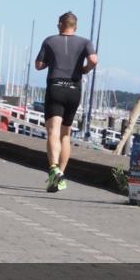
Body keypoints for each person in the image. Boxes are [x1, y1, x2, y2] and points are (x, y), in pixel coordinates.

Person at [34, 11, 98, 193]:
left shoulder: (50, 40)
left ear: (59, 24)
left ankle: (54, 169)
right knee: (66, 135)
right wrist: (85, 69)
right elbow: (94, 59)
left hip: (56, 87)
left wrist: (51, 61)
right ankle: (60, 174)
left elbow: (39, 65)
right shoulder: (85, 42)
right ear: (75, 27)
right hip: (74, 89)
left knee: (53, 131)